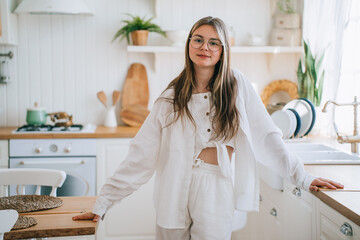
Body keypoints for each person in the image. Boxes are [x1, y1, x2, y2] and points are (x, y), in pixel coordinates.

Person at [73, 16, 343, 239]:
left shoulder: (238, 86)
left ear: (223, 50)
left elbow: (267, 137)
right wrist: (103, 203)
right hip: (173, 185)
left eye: (214, 42)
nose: (205, 47)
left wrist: (303, 177)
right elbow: (140, 155)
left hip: (216, 186)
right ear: (189, 44)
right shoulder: (171, 96)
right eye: (198, 39)